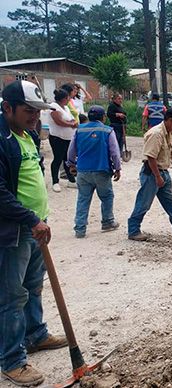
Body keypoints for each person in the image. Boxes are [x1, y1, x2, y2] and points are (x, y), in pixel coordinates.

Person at [0, 80, 68, 387]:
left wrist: (39, 217)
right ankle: (12, 360)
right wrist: (30, 218)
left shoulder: (26, 135)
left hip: (34, 226)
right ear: (8, 108)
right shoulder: (1, 140)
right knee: (12, 297)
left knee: (33, 287)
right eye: (28, 111)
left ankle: (36, 335)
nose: (34, 117)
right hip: (13, 232)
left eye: (37, 111)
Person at [127, 108, 172, 241]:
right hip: (152, 174)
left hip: (163, 172)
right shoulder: (156, 134)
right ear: (170, 121)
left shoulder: (170, 133)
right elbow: (151, 157)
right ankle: (133, 230)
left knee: (171, 203)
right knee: (144, 203)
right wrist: (158, 177)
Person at [67, 106, 121, 238]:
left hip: (83, 171)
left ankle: (80, 229)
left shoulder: (79, 130)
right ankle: (107, 222)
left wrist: (71, 164)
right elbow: (114, 151)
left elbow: (71, 150)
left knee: (83, 199)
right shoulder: (107, 130)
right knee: (107, 197)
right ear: (103, 117)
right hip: (101, 169)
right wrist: (118, 168)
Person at [48, 88, 78, 192]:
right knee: (58, 159)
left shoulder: (65, 107)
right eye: (68, 97)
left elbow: (70, 118)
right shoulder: (54, 107)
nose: (70, 99)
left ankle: (71, 180)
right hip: (57, 138)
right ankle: (55, 182)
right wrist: (72, 124)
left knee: (67, 160)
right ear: (64, 98)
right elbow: (59, 122)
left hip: (67, 138)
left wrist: (73, 122)